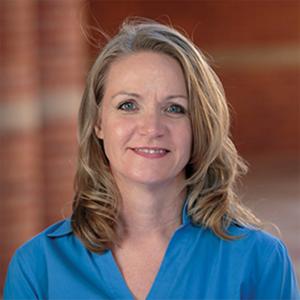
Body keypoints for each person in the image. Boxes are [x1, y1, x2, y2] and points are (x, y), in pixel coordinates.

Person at [4, 18, 299, 300]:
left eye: (174, 108)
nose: (152, 128)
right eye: (128, 105)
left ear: (199, 126)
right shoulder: (38, 269)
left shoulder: (259, 261)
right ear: (98, 123)